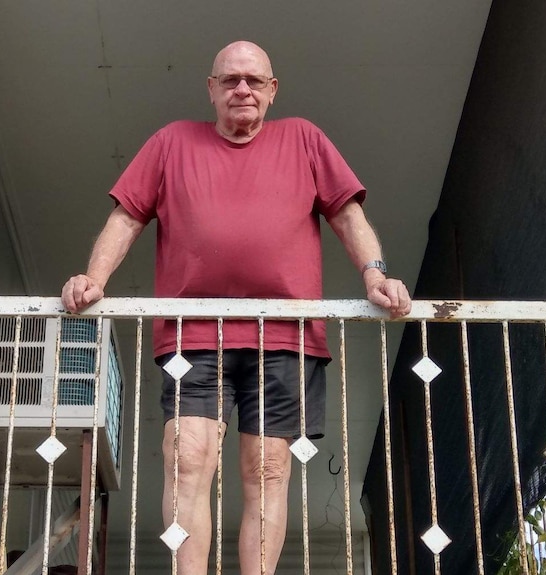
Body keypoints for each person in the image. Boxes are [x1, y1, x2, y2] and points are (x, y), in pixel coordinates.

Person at [61, 40, 411, 575]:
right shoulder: (171, 142)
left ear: (272, 91)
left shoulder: (305, 139)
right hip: (192, 333)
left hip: (287, 339)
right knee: (186, 458)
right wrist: (93, 278)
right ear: (211, 89)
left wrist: (375, 276)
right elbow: (127, 217)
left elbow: (348, 217)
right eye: (229, 80)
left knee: (268, 469)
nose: (241, 89)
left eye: (253, 80)